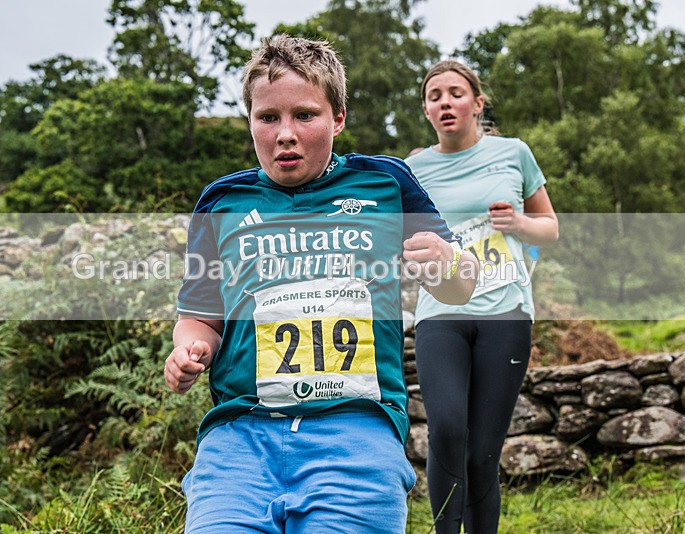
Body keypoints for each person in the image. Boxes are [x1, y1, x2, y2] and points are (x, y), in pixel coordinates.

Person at [164, 36, 478, 533]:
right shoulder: (221, 201)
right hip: (239, 439)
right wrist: (189, 350)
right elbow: (200, 316)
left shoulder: (386, 184)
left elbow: (461, 284)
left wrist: (447, 261)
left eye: (305, 115)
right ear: (250, 120)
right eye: (268, 118)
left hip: (356, 431)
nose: (285, 134)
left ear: (338, 118)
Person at [405, 59, 559, 533]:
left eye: (455, 92)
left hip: (506, 313)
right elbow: (403, 240)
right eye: (435, 96)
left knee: (483, 450)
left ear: (477, 102)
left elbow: (549, 228)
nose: (445, 102)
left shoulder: (514, 154)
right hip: (440, 313)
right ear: (427, 110)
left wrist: (518, 223)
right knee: (447, 429)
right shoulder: (414, 168)